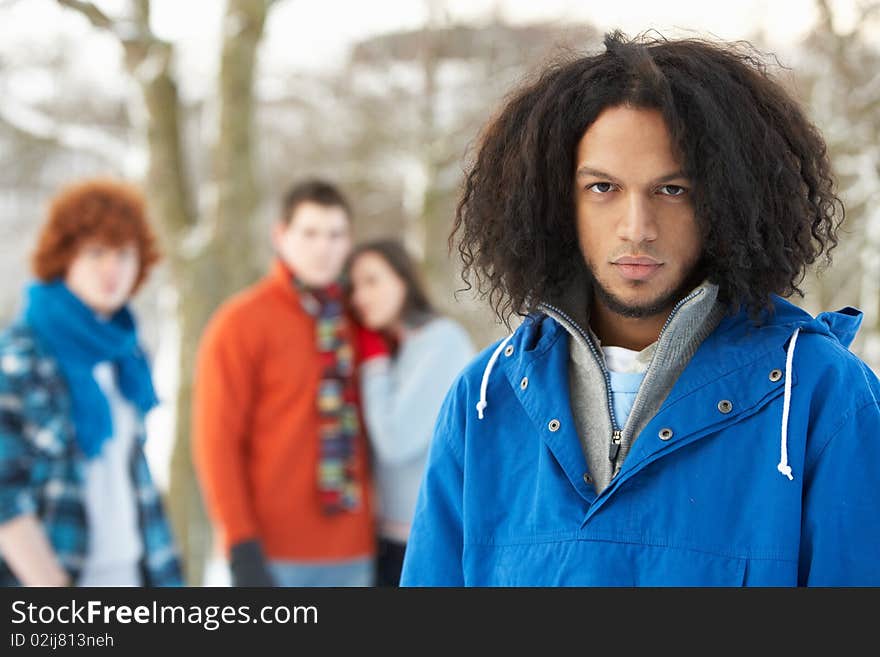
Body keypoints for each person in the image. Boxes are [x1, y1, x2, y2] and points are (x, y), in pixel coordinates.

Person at [400, 31, 880, 586]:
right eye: (603, 187)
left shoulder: (823, 397)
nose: (637, 228)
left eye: (672, 190)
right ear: (556, 200)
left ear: (729, 199)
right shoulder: (484, 402)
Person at [193, 179, 375, 587]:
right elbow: (216, 443)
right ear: (281, 236)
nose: (323, 247)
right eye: (309, 233)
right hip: (273, 556)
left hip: (357, 551)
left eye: (336, 234)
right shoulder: (241, 323)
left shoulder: (362, 318)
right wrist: (240, 545)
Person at [0, 178, 182, 587]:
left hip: (135, 569)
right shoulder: (18, 357)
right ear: (64, 257)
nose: (111, 269)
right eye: (96, 252)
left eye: (124, 254)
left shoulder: (127, 354)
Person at [346, 240, 475, 586]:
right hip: (389, 538)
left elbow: (395, 440)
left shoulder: (441, 342)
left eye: (372, 281)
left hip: (426, 543)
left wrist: (373, 361)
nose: (360, 297)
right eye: (355, 286)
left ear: (403, 281)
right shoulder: (402, 348)